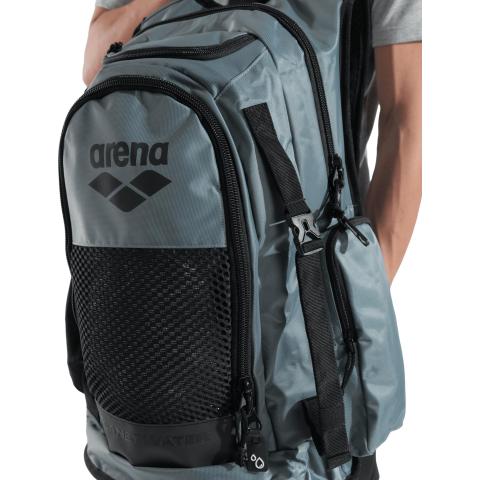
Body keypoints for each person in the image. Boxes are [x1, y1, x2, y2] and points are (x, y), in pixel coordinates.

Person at [83, 1, 421, 477]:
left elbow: (405, 125)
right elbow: (97, 64)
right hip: (144, 356)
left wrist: (349, 313)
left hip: (300, 341)